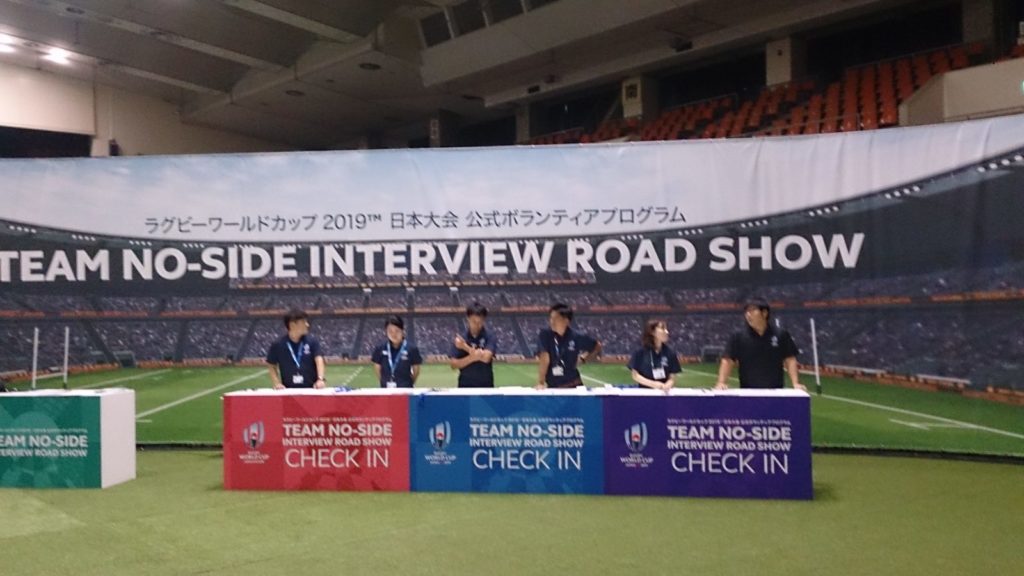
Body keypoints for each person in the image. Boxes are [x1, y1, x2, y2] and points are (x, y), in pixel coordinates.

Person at [715, 298, 806, 391]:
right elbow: (728, 360)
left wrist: (796, 383)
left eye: (752, 310)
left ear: (764, 313)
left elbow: (790, 359)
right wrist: (721, 382)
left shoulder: (781, 334)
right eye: (746, 311)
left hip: (776, 392)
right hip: (748, 392)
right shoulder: (738, 336)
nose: (748, 314)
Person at [536, 303, 602, 389]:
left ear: (566, 321)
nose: (552, 322)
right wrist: (541, 382)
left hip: (574, 384)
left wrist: (583, 358)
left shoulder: (576, 336)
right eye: (551, 318)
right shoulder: (545, 335)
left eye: (556, 319)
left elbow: (597, 346)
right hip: (554, 386)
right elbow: (544, 359)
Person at [266, 309, 326, 389]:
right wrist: (276, 383)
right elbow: (271, 364)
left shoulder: (312, 342)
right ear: (293, 325)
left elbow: (319, 360)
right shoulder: (278, 344)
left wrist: (320, 379)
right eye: (304, 322)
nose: (307, 325)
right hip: (288, 391)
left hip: (312, 389)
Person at [449, 302, 497, 388]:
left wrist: (465, 347)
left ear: (484, 320)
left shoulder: (490, 336)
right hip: (465, 386)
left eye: (480, 322)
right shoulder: (461, 338)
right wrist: (473, 357)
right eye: (474, 321)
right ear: (468, 319)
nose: (477, 325)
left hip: (486, 386)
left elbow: (486, 358)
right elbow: (453, 364)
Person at [628, 319, 682, 390]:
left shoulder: (670, 353)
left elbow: (672, 377)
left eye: (666, 329)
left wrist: (668, 385)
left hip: (663, 393)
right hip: (644, 393)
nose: (667, 332)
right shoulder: (640, 352)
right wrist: (654, 384)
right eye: (662, 328)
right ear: (652, 332)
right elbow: (635, 376)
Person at [371, 315, 423, 388]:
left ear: (402, 331)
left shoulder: (412, 349)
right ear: (386, 332)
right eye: (390, 331)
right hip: (385, 390)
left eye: (397, 330)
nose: (393, 334)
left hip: (405, 390)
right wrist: (384, 381)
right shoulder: (380, 348)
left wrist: (407, 383)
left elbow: (416, 371)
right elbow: (377, 368)